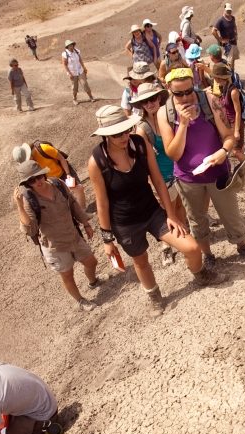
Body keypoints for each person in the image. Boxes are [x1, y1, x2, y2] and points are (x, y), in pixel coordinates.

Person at [86, 105, 226, 316]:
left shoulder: (140, 144)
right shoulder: (97, 161)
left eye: (126, 130)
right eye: (117, 134)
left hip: (152, 210)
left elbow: (158, 181)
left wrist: (171, 215)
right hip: (125, 222)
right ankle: (154, 297)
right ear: (106, 136)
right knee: (141, 261)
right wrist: (107, 239)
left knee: (191, 248)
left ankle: (200, 274)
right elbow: (102, 202)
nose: (124, 136)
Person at [157, 67, 245, 269]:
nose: (185, 97)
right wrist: (183, 124)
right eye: (178, 93)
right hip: (188, 178)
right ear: (168, 89)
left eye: (188, 91)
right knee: (197, 220)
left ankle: (242, 246)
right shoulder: (164, 113)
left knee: (230, 213)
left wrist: (223, 152)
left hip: (218, 174)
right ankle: (208, 254)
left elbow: (228, 136)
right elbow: (173, 154)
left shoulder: (209, 101)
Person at [13, 160, 100, 310]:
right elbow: (30, 230)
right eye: (31, 180)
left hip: (73, 235)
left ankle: (94, 282)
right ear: (27, 183)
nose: (37, 182)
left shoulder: (57, 184)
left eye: (39, 177)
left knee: (91, 261)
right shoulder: (29, 200)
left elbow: (72, 204)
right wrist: (20, 206)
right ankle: (80, 301)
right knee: (67, 274)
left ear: (44, 174)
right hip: (54, 246)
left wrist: (85, 224)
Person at [132, 81, 189, 267]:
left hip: (178, 170)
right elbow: (144, 161)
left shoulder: (169, 116)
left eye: (152, 98)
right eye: (145, 102)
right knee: (167, 213)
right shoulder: (143, 129)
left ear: (159, 98)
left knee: (180, 206)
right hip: (163, 177)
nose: (150, 104)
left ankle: (184, 236)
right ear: (141, 106)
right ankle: (166, 246)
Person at [12, 141, 86, 210]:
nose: (28, 162)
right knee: (61, 200)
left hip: (63, 174)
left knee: (78, 188)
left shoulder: (44, 148)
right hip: (50, 181)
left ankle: (83, 212)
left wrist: (68, 174)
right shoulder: (28, 166)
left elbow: (61, 158)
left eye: (27, 159)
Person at [208, 62, 245, 163]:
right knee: (235, 149)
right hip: (228, 123)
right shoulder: (223, 88)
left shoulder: (233, 91)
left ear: (219, 78)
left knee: (235, 150)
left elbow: (238, 112)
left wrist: (237, 130)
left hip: (235, 123)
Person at [61, 40, 94, 104]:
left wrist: (84, 67)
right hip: (73, 73)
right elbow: (64, 64)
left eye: (72, 45)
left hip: (80, 71)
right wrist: (70, 74)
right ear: (67, 47)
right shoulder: (65, 54)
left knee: (85, 84)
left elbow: (80, 60)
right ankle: (75, 99)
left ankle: (91, 97)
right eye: (70, 45)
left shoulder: (76, 51)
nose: (71, 46)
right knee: (75, 87)